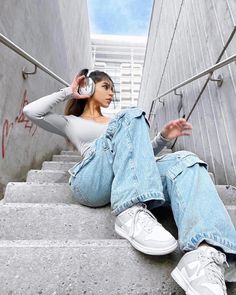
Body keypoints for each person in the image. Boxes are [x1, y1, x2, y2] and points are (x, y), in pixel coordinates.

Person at [23, 69, 236, 295]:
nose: (111, 93)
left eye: (113, 89)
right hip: (92, 180)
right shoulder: (72, 122)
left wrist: (162, 139)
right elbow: (31, 112)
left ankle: (203, 257)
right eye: (106, 87)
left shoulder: (120, 123)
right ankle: (130, 211)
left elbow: (138, 161)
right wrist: (69, 91)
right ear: (89, 86)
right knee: (131, 115)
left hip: (127, 179)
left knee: (186, 161)